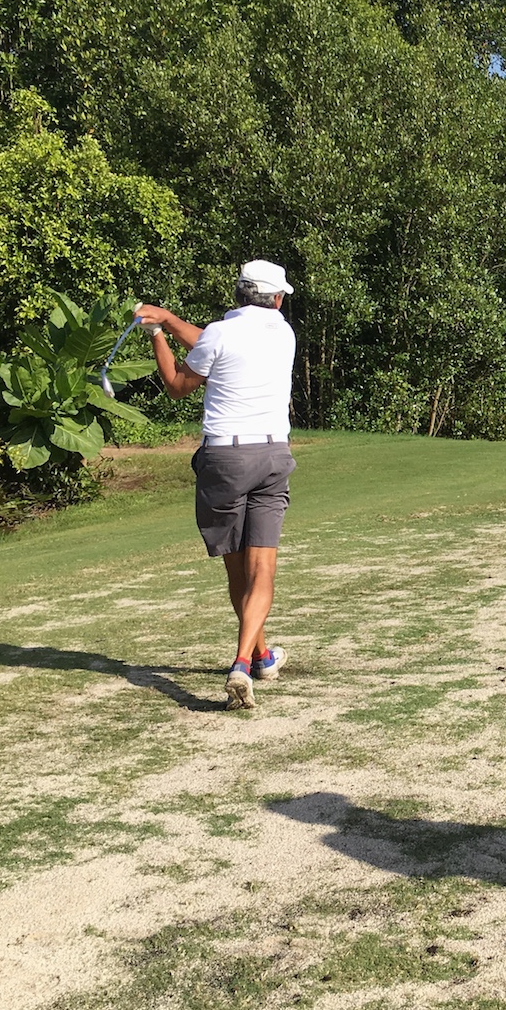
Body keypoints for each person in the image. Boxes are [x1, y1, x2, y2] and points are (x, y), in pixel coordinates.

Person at [137, 260, 299, 710]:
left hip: (225, 460)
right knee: (262, 569)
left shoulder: (219, 334)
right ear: (276, 299)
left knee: (236, 570)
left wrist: (157, 333)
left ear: (239, 293)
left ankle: (245, 661)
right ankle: (255, 658)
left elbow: (177, 384)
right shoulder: (283, 333)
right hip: (273, 456)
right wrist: (169, 320)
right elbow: (209, 343)